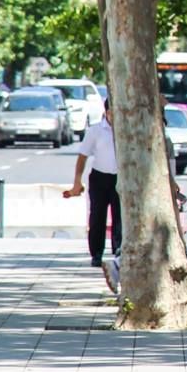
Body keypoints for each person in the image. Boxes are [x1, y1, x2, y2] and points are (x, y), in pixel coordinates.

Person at [63, 100, 120, 268]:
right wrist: (77, 182)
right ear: (106, 112)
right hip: (99, 177)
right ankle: (96, 253)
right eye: (111, 112)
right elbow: (83, 156)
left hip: (120, 179)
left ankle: (119, 251)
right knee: (97, 216)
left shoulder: (126, 129)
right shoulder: (95, 131)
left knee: (120, 216)